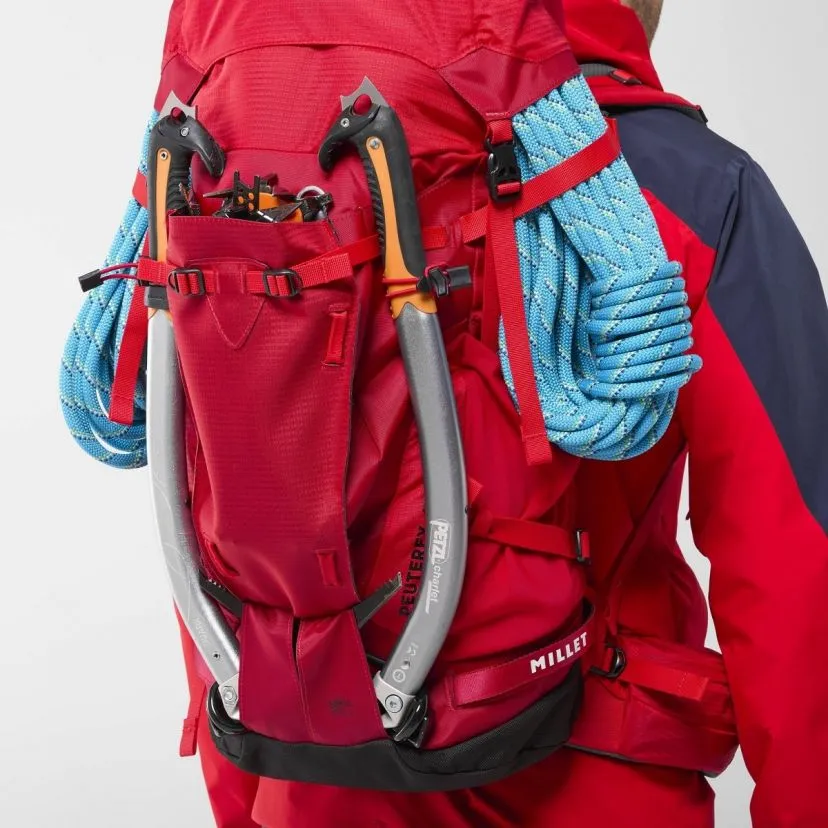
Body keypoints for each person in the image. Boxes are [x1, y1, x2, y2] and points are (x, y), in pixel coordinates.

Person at [175, 1, 828, 825]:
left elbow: (221, 509)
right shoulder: (690, 184)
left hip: (321, 781)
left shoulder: (259, 179)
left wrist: (254, 788)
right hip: (603, 781)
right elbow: (795, 561)